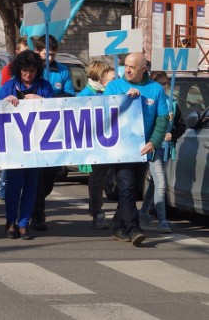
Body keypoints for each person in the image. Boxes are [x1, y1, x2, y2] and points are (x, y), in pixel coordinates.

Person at [103, 52, 169, 247]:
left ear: (143, 69)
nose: (128, 70)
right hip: (120, 147)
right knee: (127, 186)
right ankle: (134, 228)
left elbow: (162, 118)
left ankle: (117, 226)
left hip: (143, 149)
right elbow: (104, 112)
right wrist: (124, 99)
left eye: (133, 67)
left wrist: (154, 141)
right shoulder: (114, 86)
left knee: (130, 191)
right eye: (126, 66)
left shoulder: (155, 89)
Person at [0, 50, 54, 240]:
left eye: (32, 70)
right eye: (24, 70)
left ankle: (24, 223)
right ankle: (10, 221)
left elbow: (58, 111)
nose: (28, 74)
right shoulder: (9, 86)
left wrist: (43, 101)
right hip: (14, 144)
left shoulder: (44, 86)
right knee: (14, 184)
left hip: (37, 143)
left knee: (31, 184)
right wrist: (4, 102)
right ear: (18, 70)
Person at [29, 35, 75, 231]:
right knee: (37, 175)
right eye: (46, 54)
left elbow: (70, 96)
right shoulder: (31, 70)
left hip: (55, 130)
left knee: (50, 174)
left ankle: (33, 201)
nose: (49, 58)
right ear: (38, 51)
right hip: (32, 129)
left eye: (53, 54)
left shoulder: (63, 71)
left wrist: (48, 100)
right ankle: (37, 214)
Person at [139, 71, 185, 234]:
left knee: (154, 182)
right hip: (153, 148)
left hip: (166, 148)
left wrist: (172, 135)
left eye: (165, 84)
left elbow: (181, 125)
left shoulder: (172, 102)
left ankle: (144, 212)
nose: (163, 87)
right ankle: (162, 220)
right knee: (161, 182)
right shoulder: (149, 101)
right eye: (159, 84)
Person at [77, 61, 115, 229]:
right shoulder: (85, 95)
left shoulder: (110, 92)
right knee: (97, 180)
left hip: (112, 141)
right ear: (99, 77)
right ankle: (97, 211)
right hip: (96, 143)